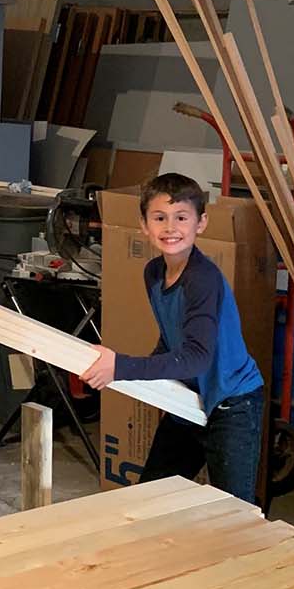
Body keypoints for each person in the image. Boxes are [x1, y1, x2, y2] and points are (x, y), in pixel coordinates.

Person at [84, 172, 265, 503]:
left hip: (233, 403)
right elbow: (171, 341)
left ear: (201, 223)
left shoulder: (203, 280)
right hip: (190, 399)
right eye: (159, 218)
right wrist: (139, 376)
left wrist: (121, 367)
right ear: (144, 225)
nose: (170, 228)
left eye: (181, 217)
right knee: (153, 497)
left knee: (235, 514)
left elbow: (197, 357)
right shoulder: (153, 273)